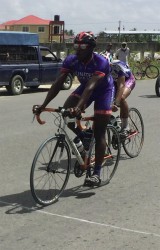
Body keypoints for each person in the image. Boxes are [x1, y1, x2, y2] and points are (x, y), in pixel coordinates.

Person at [32, 31, 115, 186]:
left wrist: (78, 108)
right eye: (76, 45)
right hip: (85, 88)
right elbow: (58, 83)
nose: (78, 49)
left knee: (99, 132)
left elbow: (91, 86)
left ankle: (96, 173)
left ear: (91, 47)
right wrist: (43, 106)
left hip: (103, 90)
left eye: (82, 46)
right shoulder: (71, 60)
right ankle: (84, 139)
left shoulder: (100, 62)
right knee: (66, 114)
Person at [111, 60, 136, 137]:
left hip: (127, 80)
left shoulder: (117, 67)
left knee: (121, 98)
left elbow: (121, 85)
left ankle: (125, 127)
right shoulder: (98, 68)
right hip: (114, 82)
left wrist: (116, 102)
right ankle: (116, 120)